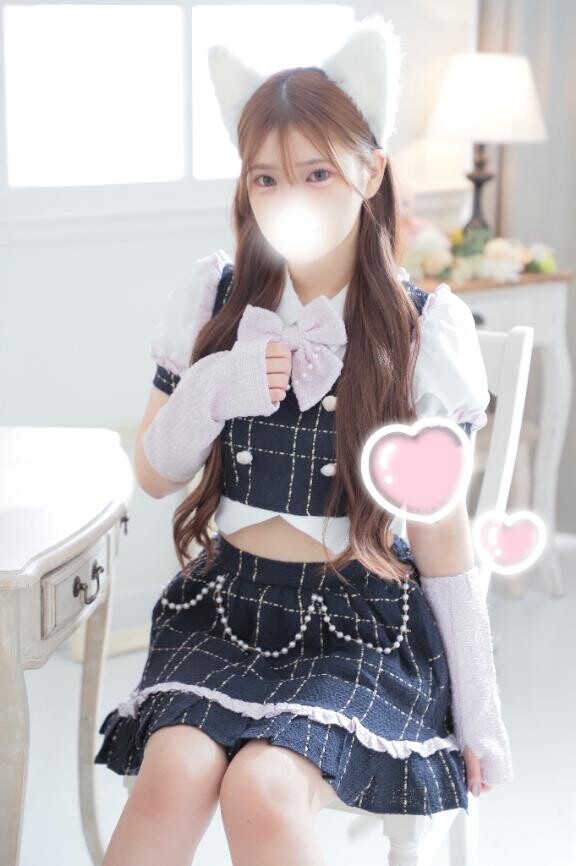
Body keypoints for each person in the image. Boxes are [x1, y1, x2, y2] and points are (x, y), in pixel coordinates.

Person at [95, 15, 513, 866]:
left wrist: (482, 714)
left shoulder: (423, 331)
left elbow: (442, 540)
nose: (290, 200)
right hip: (229, 607)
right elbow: (153, 473)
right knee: (173, 771)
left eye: (317, 173)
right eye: (267, 179)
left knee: (263, 786)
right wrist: (216, 386)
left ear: (371, 171)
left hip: (359, 626)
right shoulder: (214, 298)